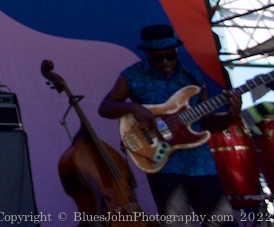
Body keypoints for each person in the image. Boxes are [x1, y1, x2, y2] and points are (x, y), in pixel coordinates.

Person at [98, 24, 242, 225]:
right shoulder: (133, 76)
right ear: (147, 53)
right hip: (164, 164)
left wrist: (231, 115)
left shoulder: (194, 78)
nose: (165, 62)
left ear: (176, 51)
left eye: (170, 55)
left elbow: (207, 123)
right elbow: (105, 107)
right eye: (158, 57)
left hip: (201, 164)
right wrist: (131, 107)